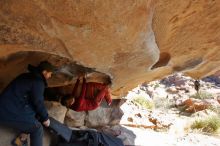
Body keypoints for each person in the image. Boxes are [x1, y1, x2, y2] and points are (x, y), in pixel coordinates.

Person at [0, 61, 56, 146]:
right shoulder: (38, 82)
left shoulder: (26, 76)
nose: (50, 76)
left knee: (33, 117)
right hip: (6, 112)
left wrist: (39, 115)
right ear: (44, 72)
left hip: (5, 106)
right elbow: (38, 102)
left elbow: (33, 102)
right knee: (37, 128)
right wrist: (45, 118)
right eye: (50, 73)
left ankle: (20, 140)